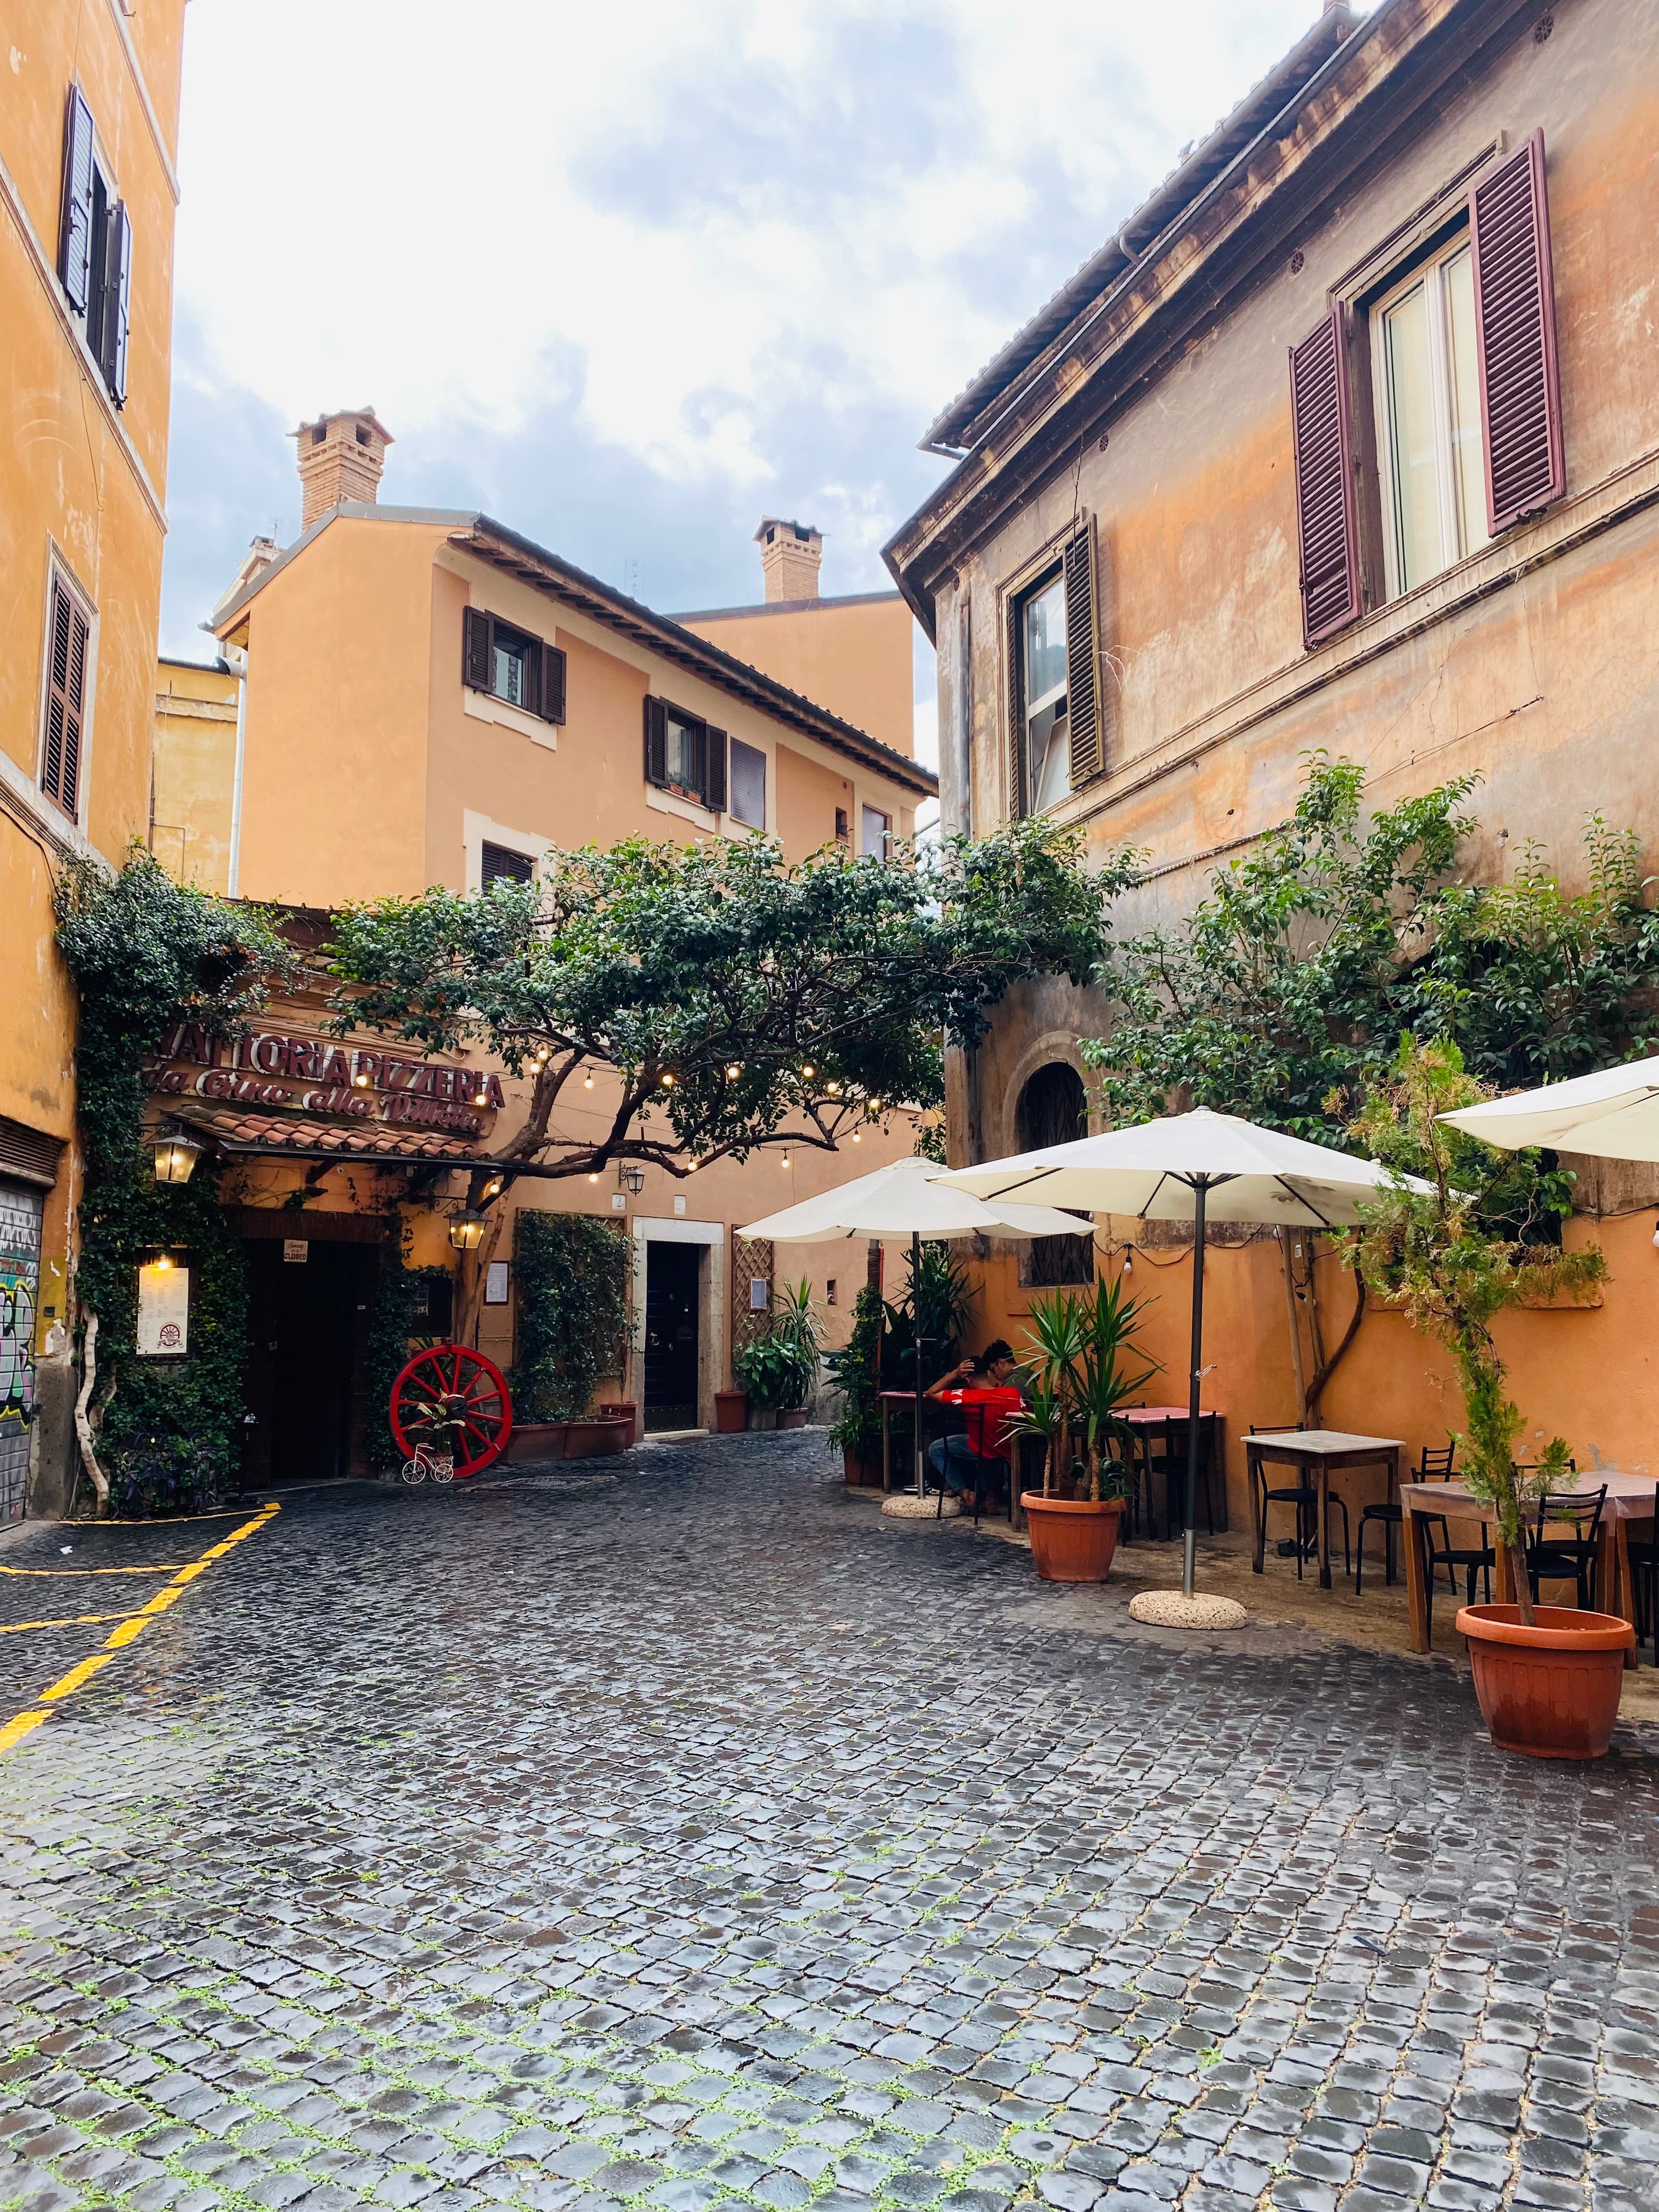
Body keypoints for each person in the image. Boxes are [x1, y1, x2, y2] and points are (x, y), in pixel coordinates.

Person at [924, 1341, 1022, 1508]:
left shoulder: (967, 1396)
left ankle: (965, 1493)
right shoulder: (1012, 1393)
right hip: (1009, 1449)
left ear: (968, 1380)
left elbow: (931, 1393)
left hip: (981, 1448)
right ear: (988, 1373)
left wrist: (955, 1374)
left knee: (936, 1449)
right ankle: (991, 1498)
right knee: (989, 1447)